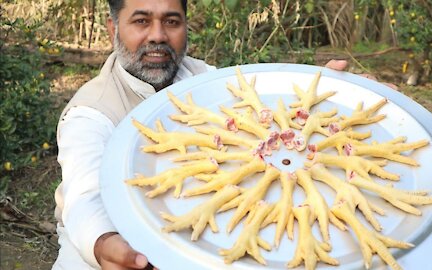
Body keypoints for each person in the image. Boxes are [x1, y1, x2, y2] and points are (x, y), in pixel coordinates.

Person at [52, 0, 392, 269]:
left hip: (198, 234)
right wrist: (102, 242)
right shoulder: (91, 112)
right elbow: (84, 197)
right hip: (105, 258)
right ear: (113, 27)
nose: (157, 35)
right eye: (141, 21)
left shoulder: (202, 78)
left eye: (171, 21)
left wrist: (333, 89)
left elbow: (264, 100)